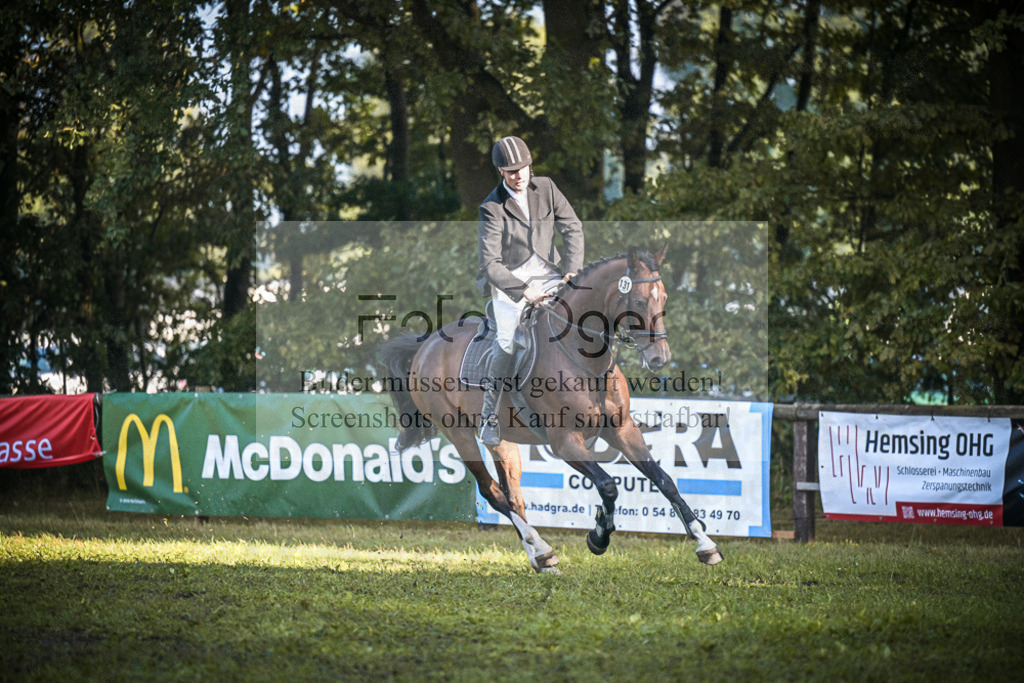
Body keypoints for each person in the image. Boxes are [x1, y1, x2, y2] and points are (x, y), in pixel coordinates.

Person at [475, 135, 584, 445]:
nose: (519, 175)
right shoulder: (491, 207)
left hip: (551, 273)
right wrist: (524, 292)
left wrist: (574, 269)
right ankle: (489, 416)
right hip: (511, 282)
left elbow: (572, 227)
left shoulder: (546, 188)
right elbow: (490, 265)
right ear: (501, 173)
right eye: (512, 171)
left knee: (586, 318)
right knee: (507, 341)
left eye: (524, 168)